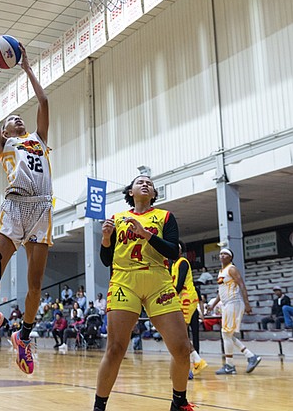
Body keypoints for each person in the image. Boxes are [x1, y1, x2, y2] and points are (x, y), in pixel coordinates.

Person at [0, 44, 53, 375]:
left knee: (35, 285)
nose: (16, 118)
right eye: (11, 119)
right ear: (5, 132)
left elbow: (45, 102)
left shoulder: (39, 137)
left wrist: (28, 70)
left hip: (42, 210)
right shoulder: (2, 144)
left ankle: (24, 336)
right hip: (15, 206)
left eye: (19, 117)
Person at [94, 175, 194, 411]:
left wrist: (146, 234)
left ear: (154, 193)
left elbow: (172, 251)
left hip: (158, 279)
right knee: (116, 348)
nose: (146, 184)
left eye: (149, 183)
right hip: (124, 280)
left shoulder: (165, 217)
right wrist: (106, 238)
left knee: (181, 348)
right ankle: (99, 406)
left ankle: (178, 401)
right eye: (140, 182)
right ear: (130, 192)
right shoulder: (117, 219)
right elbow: (106, 259)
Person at [208, 248, 261, 375]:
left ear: (230, 257)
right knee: (227, 334)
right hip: (226, 304)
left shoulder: (232, 269)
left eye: (225, 253)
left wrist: (247, 304)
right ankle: (250, 356)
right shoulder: (221, 272)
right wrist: (213, 305)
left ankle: (230, 365)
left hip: (234, 302)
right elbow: (221, 292)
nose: (222, 255)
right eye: (220, 253)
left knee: (226, 333)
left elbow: (242, 285)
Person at [171, 241, 208, 378]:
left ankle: (192, 365)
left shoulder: (183, 262)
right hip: (181, 300)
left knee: (181, 335)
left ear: (180, 251)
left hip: (187, 299)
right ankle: (196, 361)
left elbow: (179, 285)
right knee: (181, 336)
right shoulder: (174, 264)